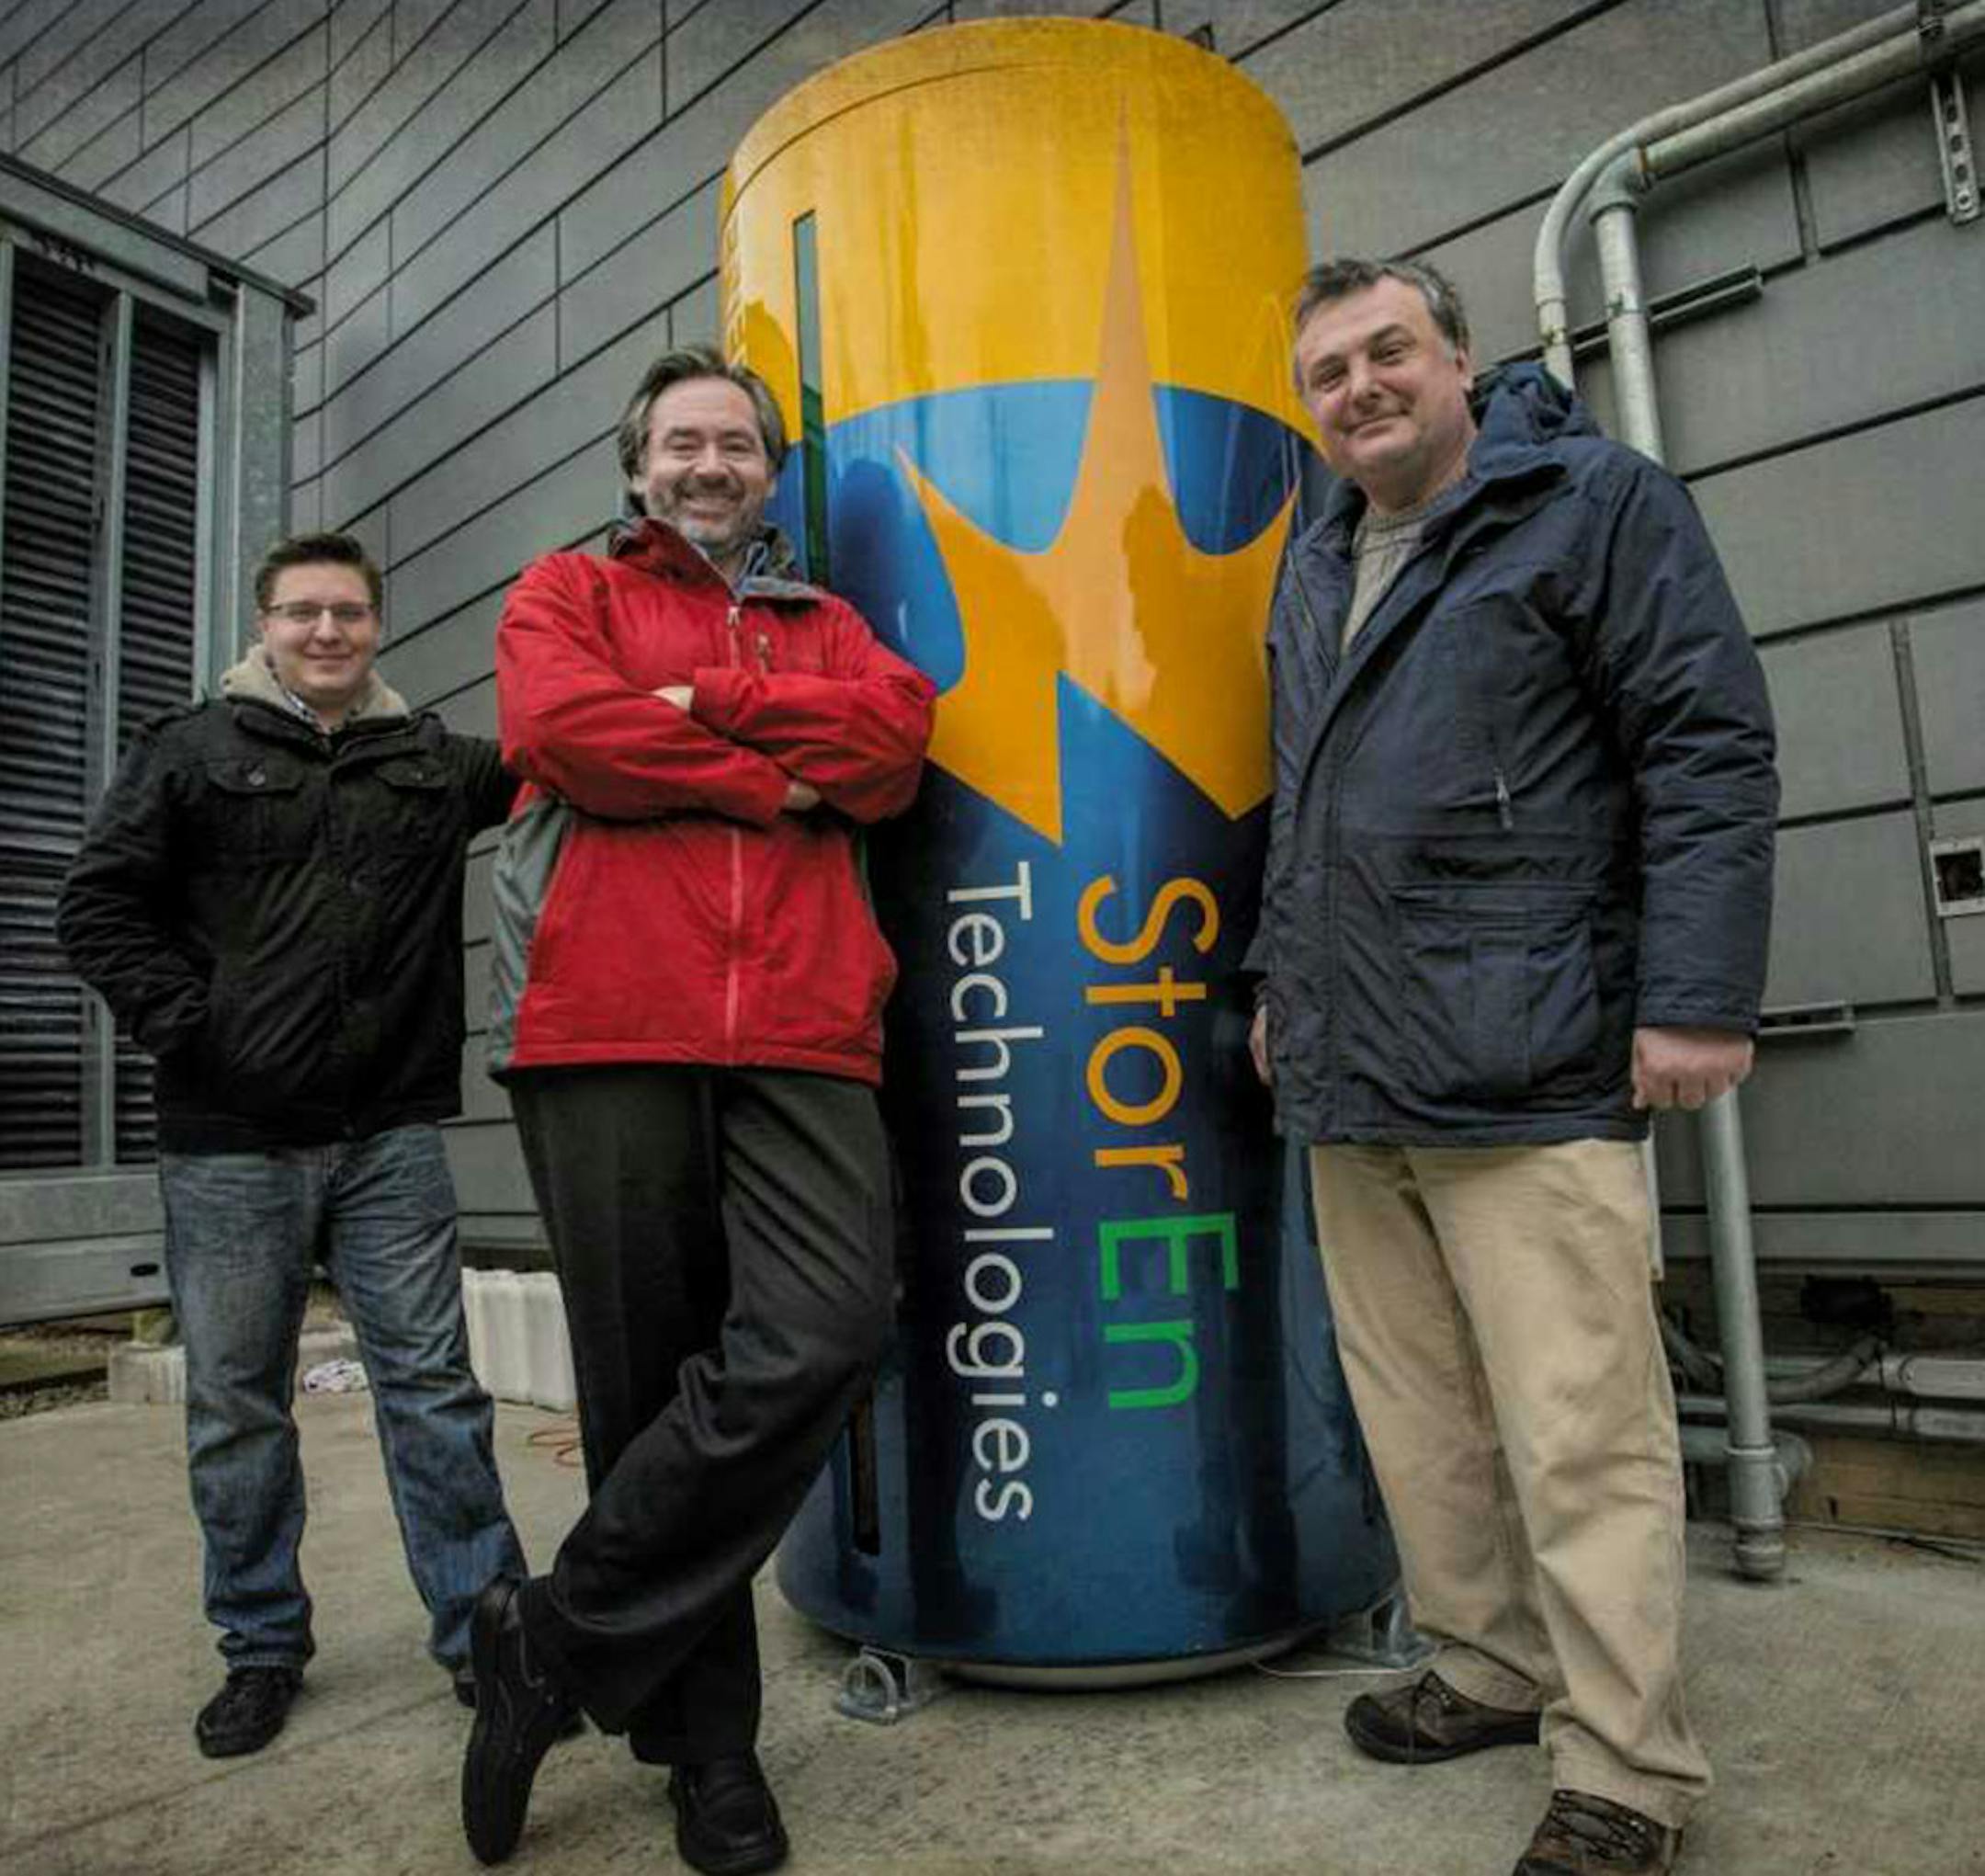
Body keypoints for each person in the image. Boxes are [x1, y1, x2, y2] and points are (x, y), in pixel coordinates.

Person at [1249, 258, 1777, 1876]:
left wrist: (1695, 999)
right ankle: (1487, 1661)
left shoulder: (1595, 500)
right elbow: (1305, 793)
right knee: (1420, 1418)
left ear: (1462, 356)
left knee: (1578, 1425)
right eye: (1327, 372)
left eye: (1387, 351)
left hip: (1530, 1049)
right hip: (1353, 1061)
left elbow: (1706, 746)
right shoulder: (1317, 546)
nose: (1359, 389)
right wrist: (1282, 981)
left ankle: (1625, 1760)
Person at [459, 345, 935, 1875]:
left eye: (737, 441)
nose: (710, 463)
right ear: (638, 462)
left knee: (832, 1321)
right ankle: (707, 1752)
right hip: (606, 1018)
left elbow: (890, 746)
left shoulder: (833, 624)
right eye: (683, 441)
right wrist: (765, 776)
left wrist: (707, 700)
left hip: (800, 1018)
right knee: (644, 1380)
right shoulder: (565, 592)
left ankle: (549, 1631)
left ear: (768, 467)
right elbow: (562, 734)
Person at [57, 530, 530, 1757]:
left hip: (390, 1139)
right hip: (228, 1143)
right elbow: (96, 905)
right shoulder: (189, 749)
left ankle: (490, 1638)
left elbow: (560, 762)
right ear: (264, 625)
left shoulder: (427, 760)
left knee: (432, 1389)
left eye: (349, 613)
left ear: (377, 626)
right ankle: (261, 1646)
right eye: (302, 612)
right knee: (236, 1404)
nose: (327, 632)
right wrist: (191, 1027)